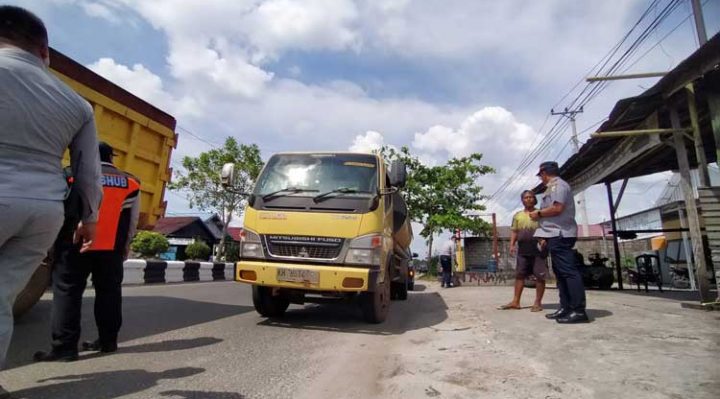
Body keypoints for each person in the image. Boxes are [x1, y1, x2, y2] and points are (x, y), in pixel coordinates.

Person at [0, 5, 102, 395]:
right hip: (43, 212)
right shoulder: (77, 103)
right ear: (45, 52)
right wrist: (89, 219)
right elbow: (87, 172)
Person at [34, 143, 140, 362]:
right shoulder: (130, 182)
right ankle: (108, 342)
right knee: (109, 293)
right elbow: (133, 220)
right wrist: (126, 244)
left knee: (67, 293)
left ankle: (65, 348)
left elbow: (56, 209)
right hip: (111, 249)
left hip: (74, 244)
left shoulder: (70, 176)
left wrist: (48, 242)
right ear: (112, 157)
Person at [530, 161, 588, 324]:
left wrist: (538, 213)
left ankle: (578, 310)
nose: (541, 178)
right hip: (554, 234)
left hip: (561, 234)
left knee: (568, 272)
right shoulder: (552, 187)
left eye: (541, 175)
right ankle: (566, 307)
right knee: (561, 274)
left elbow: (557, 209)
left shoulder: (558, 186)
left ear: (544, 173)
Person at [498, 190, 547, 312]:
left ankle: (537, 303)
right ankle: (515, 302)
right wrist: (512, 245)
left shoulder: (540, 214)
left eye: (531, 197)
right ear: (522, 200)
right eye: (526, 197)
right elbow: (514, 231)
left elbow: (547, 228)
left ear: (534, 199)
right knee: (519, 275)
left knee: (540, 276)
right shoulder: (517, 215)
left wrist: (544, 239)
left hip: (538, 250)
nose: (529, 199)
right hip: (523, 249)